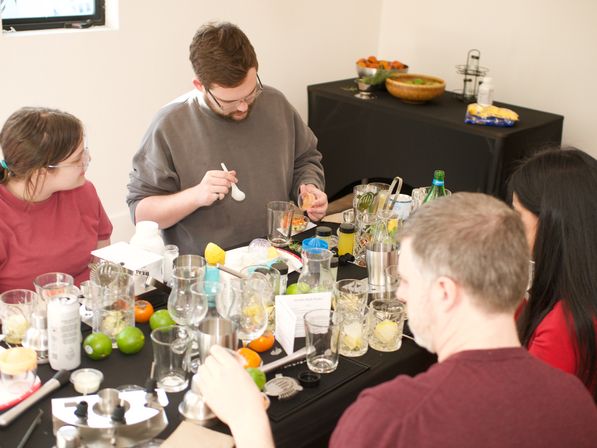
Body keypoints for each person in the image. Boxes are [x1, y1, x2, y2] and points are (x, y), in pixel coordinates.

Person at [197, 193, 597, 448]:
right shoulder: (576, 401)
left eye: (404, 280)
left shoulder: (390, 419)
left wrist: (249, 423)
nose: (400, 294)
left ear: (444, 291)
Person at [126, 22, 327, 254]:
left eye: (251, 93)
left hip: (277, 255)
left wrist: (310, 188)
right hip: (208, 271)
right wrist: (195, 196)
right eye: (230, 101)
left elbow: (305, 158)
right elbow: (141, 211)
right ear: (200, 86)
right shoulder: (169, 125)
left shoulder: (276, 104)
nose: (243, 107)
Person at [509, 147, 597, 399]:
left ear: (553, 225)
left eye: (518, 217)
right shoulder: (580, 290)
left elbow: (520, 413)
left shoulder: (563, 326)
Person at [0, 107, 112, 291]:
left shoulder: (84, 192)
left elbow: (103, 261)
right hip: (23, 317)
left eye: (85, 152)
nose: (88, 159)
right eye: (77, 159)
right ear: (40, 172)